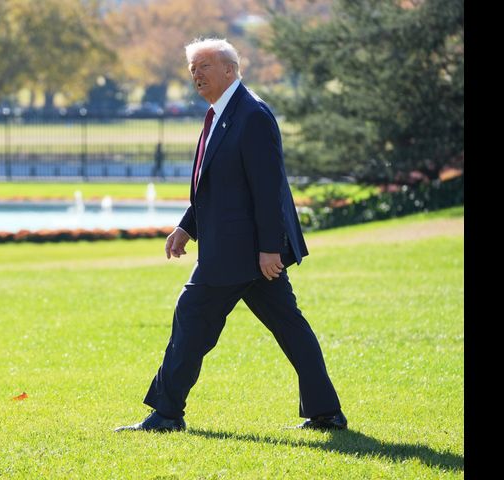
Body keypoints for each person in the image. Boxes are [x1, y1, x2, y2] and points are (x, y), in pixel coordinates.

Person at [115, 38, 347, 432]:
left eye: (204, 66)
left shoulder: (251, 114)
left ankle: (167, 414)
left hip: (241, 252)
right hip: (239, 250)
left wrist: (270, 249)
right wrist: (186, 226)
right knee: (289, 327)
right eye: (192, 68)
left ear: (230, 69)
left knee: (192, 317)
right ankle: (326, 413)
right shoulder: (221, 113)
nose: (196, 75)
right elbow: (219, 185)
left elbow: (268, 188)